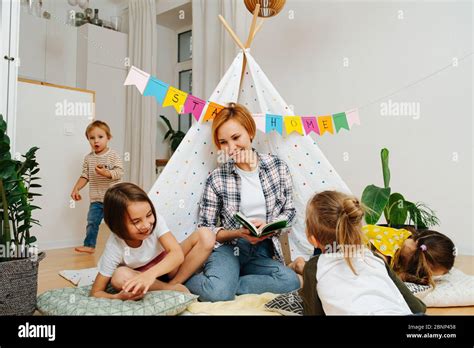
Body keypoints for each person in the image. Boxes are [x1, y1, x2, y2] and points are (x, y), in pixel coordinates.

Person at [184, 103, 301, 302]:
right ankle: (205, 283)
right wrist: (238, 233)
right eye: (223, 142)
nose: (231, 148)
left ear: (250, 132)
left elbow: (289, 211)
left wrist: (270, 227)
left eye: (236, 138)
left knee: (291, 282)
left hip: (263, 249)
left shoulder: (277, 167)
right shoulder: (217, 178)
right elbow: (205, 228)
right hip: (230, 247)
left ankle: (229, 282)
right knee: (218, 293)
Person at [299, 190, 426, 315]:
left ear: (313, 239)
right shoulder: (375, 258)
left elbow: (313, 312)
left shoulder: (315, 267)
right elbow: (417, 307)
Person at [90, 182, 215, 300]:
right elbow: (96, 292)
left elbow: (176, 254)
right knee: (119, 276)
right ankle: (169, 289)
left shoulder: (156, 222)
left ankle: (174, 284)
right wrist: (117, 297)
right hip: (140, 276)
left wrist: (150, 274)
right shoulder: (114, 246)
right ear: (117, 225)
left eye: (149, 215)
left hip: (168, 268)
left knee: (206, 235)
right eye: (136, 222)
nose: (146, 225)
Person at [71, 120, 123, 254]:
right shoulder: (88, 158)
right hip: (96, 199)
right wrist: (76, 188)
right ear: (88, 140)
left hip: (113, 199)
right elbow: (85, 176)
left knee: (116, 225)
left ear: (108, 138)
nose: (96, 141)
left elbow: (119, 173)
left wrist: (107, 173)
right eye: (92, 138)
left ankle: (124, 246)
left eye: (100, 137)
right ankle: (89, 245)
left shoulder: (112, 156)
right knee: (92, 222)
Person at [362, 224, 455, 286]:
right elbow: (375, 276)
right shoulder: (387, 250)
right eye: (422, 273)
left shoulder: (406, 236)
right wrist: (403, 276)